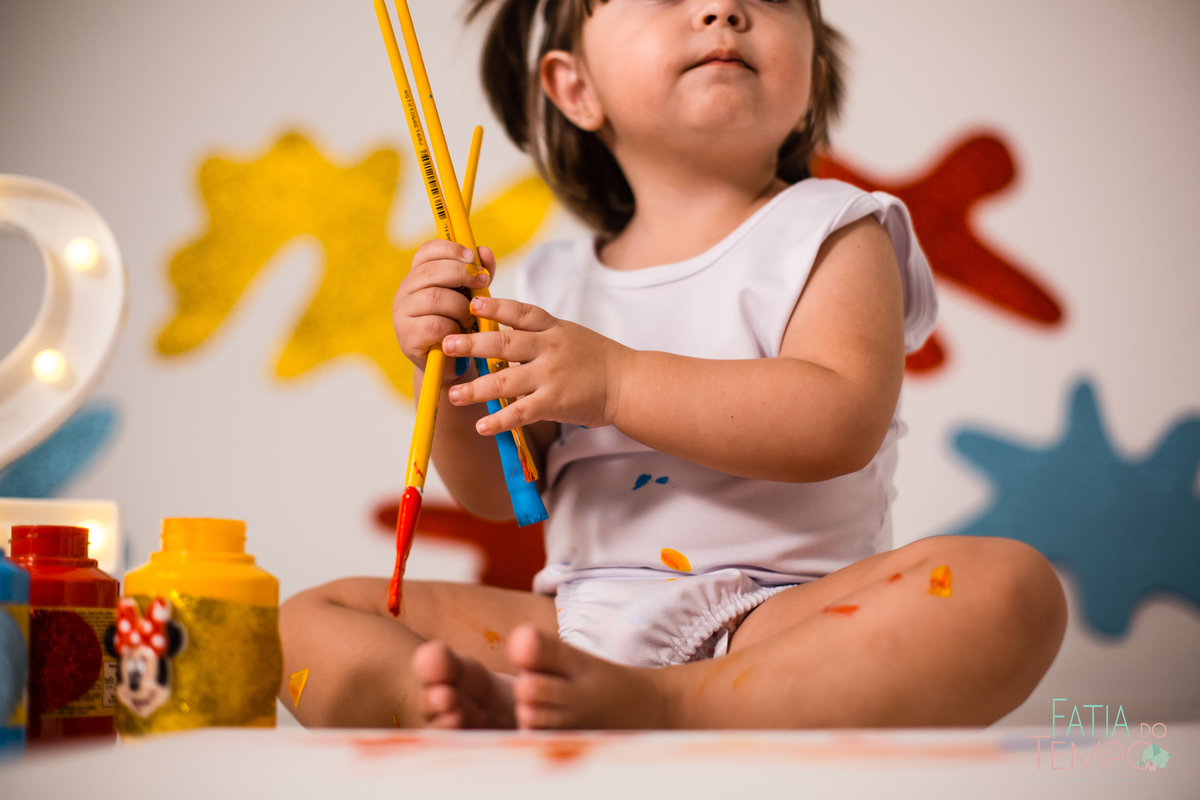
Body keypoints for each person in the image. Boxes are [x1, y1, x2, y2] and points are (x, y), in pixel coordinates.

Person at [279, 0, 1066, 729]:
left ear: (813, 75)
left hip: (780, 620)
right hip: (577, 624)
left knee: (1009, 589)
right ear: (575, 87)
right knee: (304, 620)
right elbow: (498, 494)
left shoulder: (834, 229)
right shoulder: (549, 282)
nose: (723, 9)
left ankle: (676, 706)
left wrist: (617, 382)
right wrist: (443, 370)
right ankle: (453, 710)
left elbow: (841, 420)